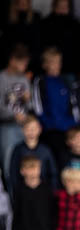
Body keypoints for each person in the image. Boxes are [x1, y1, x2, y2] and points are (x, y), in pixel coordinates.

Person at [32, 47, 77, 166]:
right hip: (49, 131)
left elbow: (72, 106)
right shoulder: (40, 81)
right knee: (51, 162)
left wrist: (71, 125)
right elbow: (38, 108)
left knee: (66, 163)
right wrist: (47, 124)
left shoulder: (65, 81)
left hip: (66, 130)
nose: (57, 65)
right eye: (53, 62)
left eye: (59, 62)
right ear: (45, 64)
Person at [10, 155, 56, 230]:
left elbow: (53, 213)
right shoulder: (19, 191)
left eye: (35, 168)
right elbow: (16, 214)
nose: (32, 171)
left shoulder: (47, 189)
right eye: (29, 168)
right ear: (22, 171)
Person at [0, 45, 33, 174]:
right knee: (9, 164)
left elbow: (30, 107)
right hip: (7, 126)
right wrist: (14, 115)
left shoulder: (24, 78)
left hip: (24, 127)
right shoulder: (2, 78)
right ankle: (11, 194)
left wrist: (27, 100)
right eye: (22, 63)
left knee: (26, 163)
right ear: (13, 60)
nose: (25, 66)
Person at [8, 116, 58, 190]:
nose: (31, 132)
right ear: (22, 130)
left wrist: (52, 191)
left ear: (40, 129)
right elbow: (13, 173)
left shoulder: (45, 150)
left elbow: (53, 172)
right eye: (28, 129)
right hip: (23, 191)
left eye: (34, 129)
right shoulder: (18, 150)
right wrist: (16, 191)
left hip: (43, 190)